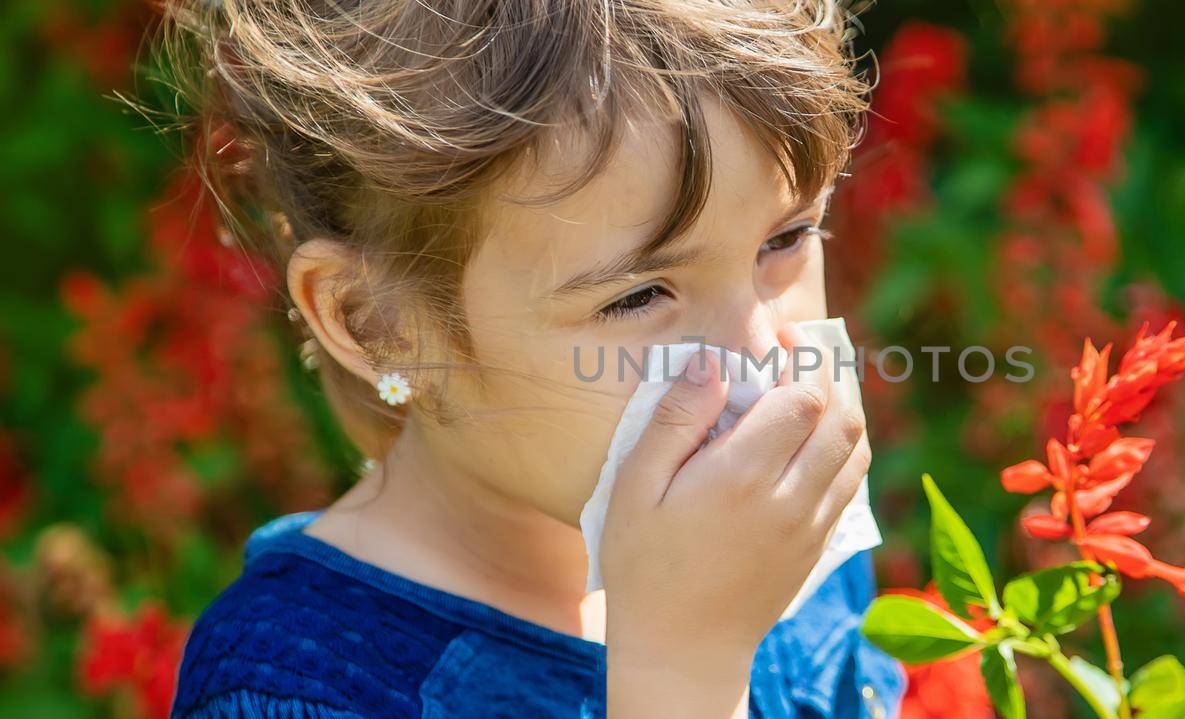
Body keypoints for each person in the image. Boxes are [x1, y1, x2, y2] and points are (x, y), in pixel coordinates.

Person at [159, 0, 903, 716]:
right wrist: (680, 673)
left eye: (786, 239)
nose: (762, 354)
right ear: (377, 322)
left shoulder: (776, 529)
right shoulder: (297, 684)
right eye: (639, 295)